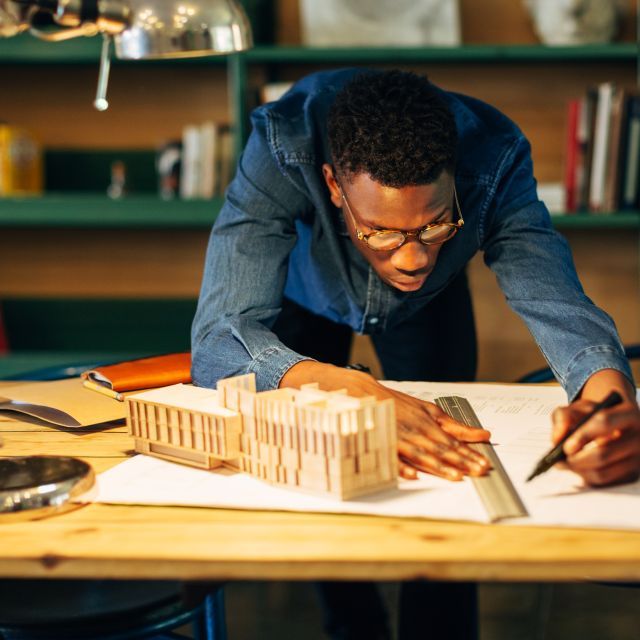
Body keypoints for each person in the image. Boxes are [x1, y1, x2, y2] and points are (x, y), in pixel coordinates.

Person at [191, 68, 640, 639]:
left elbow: (553, 296)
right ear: (333, 185)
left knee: (449, 464)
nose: (410, 259)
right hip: (304, 298)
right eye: (380, 230)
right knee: (322, 461)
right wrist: (344, 388)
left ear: (457, 182)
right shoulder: (282, 144)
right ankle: (353, 625)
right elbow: (216, 339)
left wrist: (606, 391)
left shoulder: (495, 157)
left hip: (431, 308)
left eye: (434, 226)